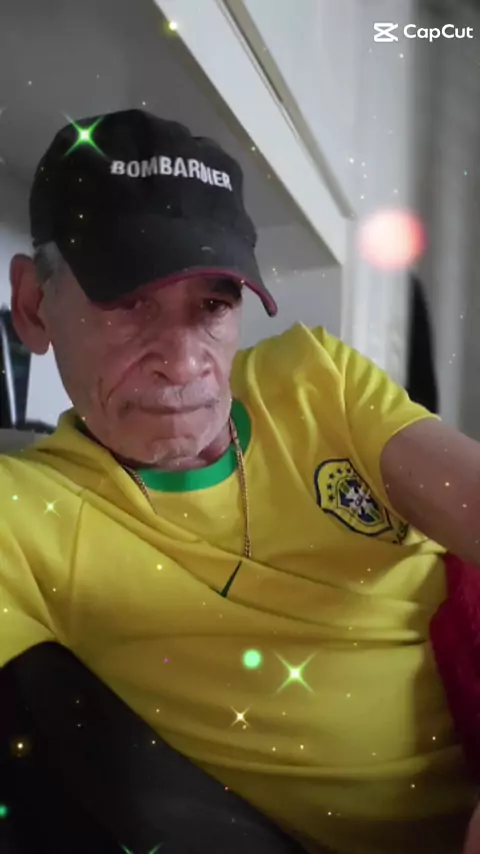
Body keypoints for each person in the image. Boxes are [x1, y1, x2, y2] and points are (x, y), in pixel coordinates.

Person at [1, 108, 479, 854]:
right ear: (33, 305)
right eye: (128, 303)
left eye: (214, 305)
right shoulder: (24, 513)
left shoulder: (316, 378)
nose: (184, 361)